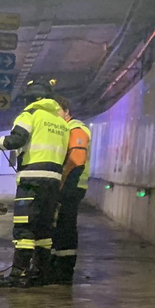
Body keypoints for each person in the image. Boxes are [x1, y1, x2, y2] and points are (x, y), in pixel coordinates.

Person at [0, 80, 69, 288]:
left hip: (31, 180)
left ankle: (18, 274)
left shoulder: (30, 115)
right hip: (53, 181)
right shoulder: (61, 123)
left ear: (30, 97)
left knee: (24, 227)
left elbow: (16, 140)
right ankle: (40, 273)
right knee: (44, 229)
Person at [52, 103, 91, 283]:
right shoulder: (63, 129)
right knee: (59, 227)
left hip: (71, 187)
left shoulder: (75, 128)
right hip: (67, 186)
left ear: (67, 111)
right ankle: (56, 266)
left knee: (65, 227)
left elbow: (76, 159)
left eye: (57, 111)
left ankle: (64, 271)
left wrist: (61, 182)